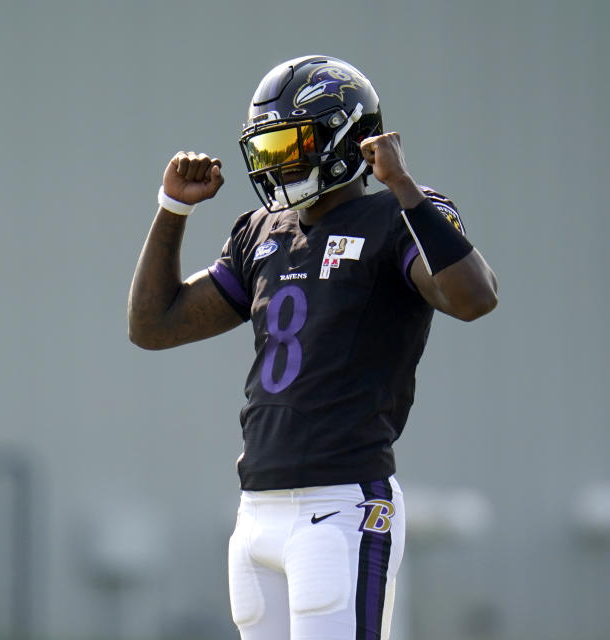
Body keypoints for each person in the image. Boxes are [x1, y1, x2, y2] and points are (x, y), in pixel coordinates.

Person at [128, 55, 498, 640]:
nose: (280, 164)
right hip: (257, 508)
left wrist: (402, 185)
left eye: (291, 145)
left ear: (345, 137)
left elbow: (473, 298)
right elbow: (154, 325)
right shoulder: (260, 232)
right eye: (269, 150)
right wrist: (173, 210)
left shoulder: (397, 215)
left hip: (342, 503)